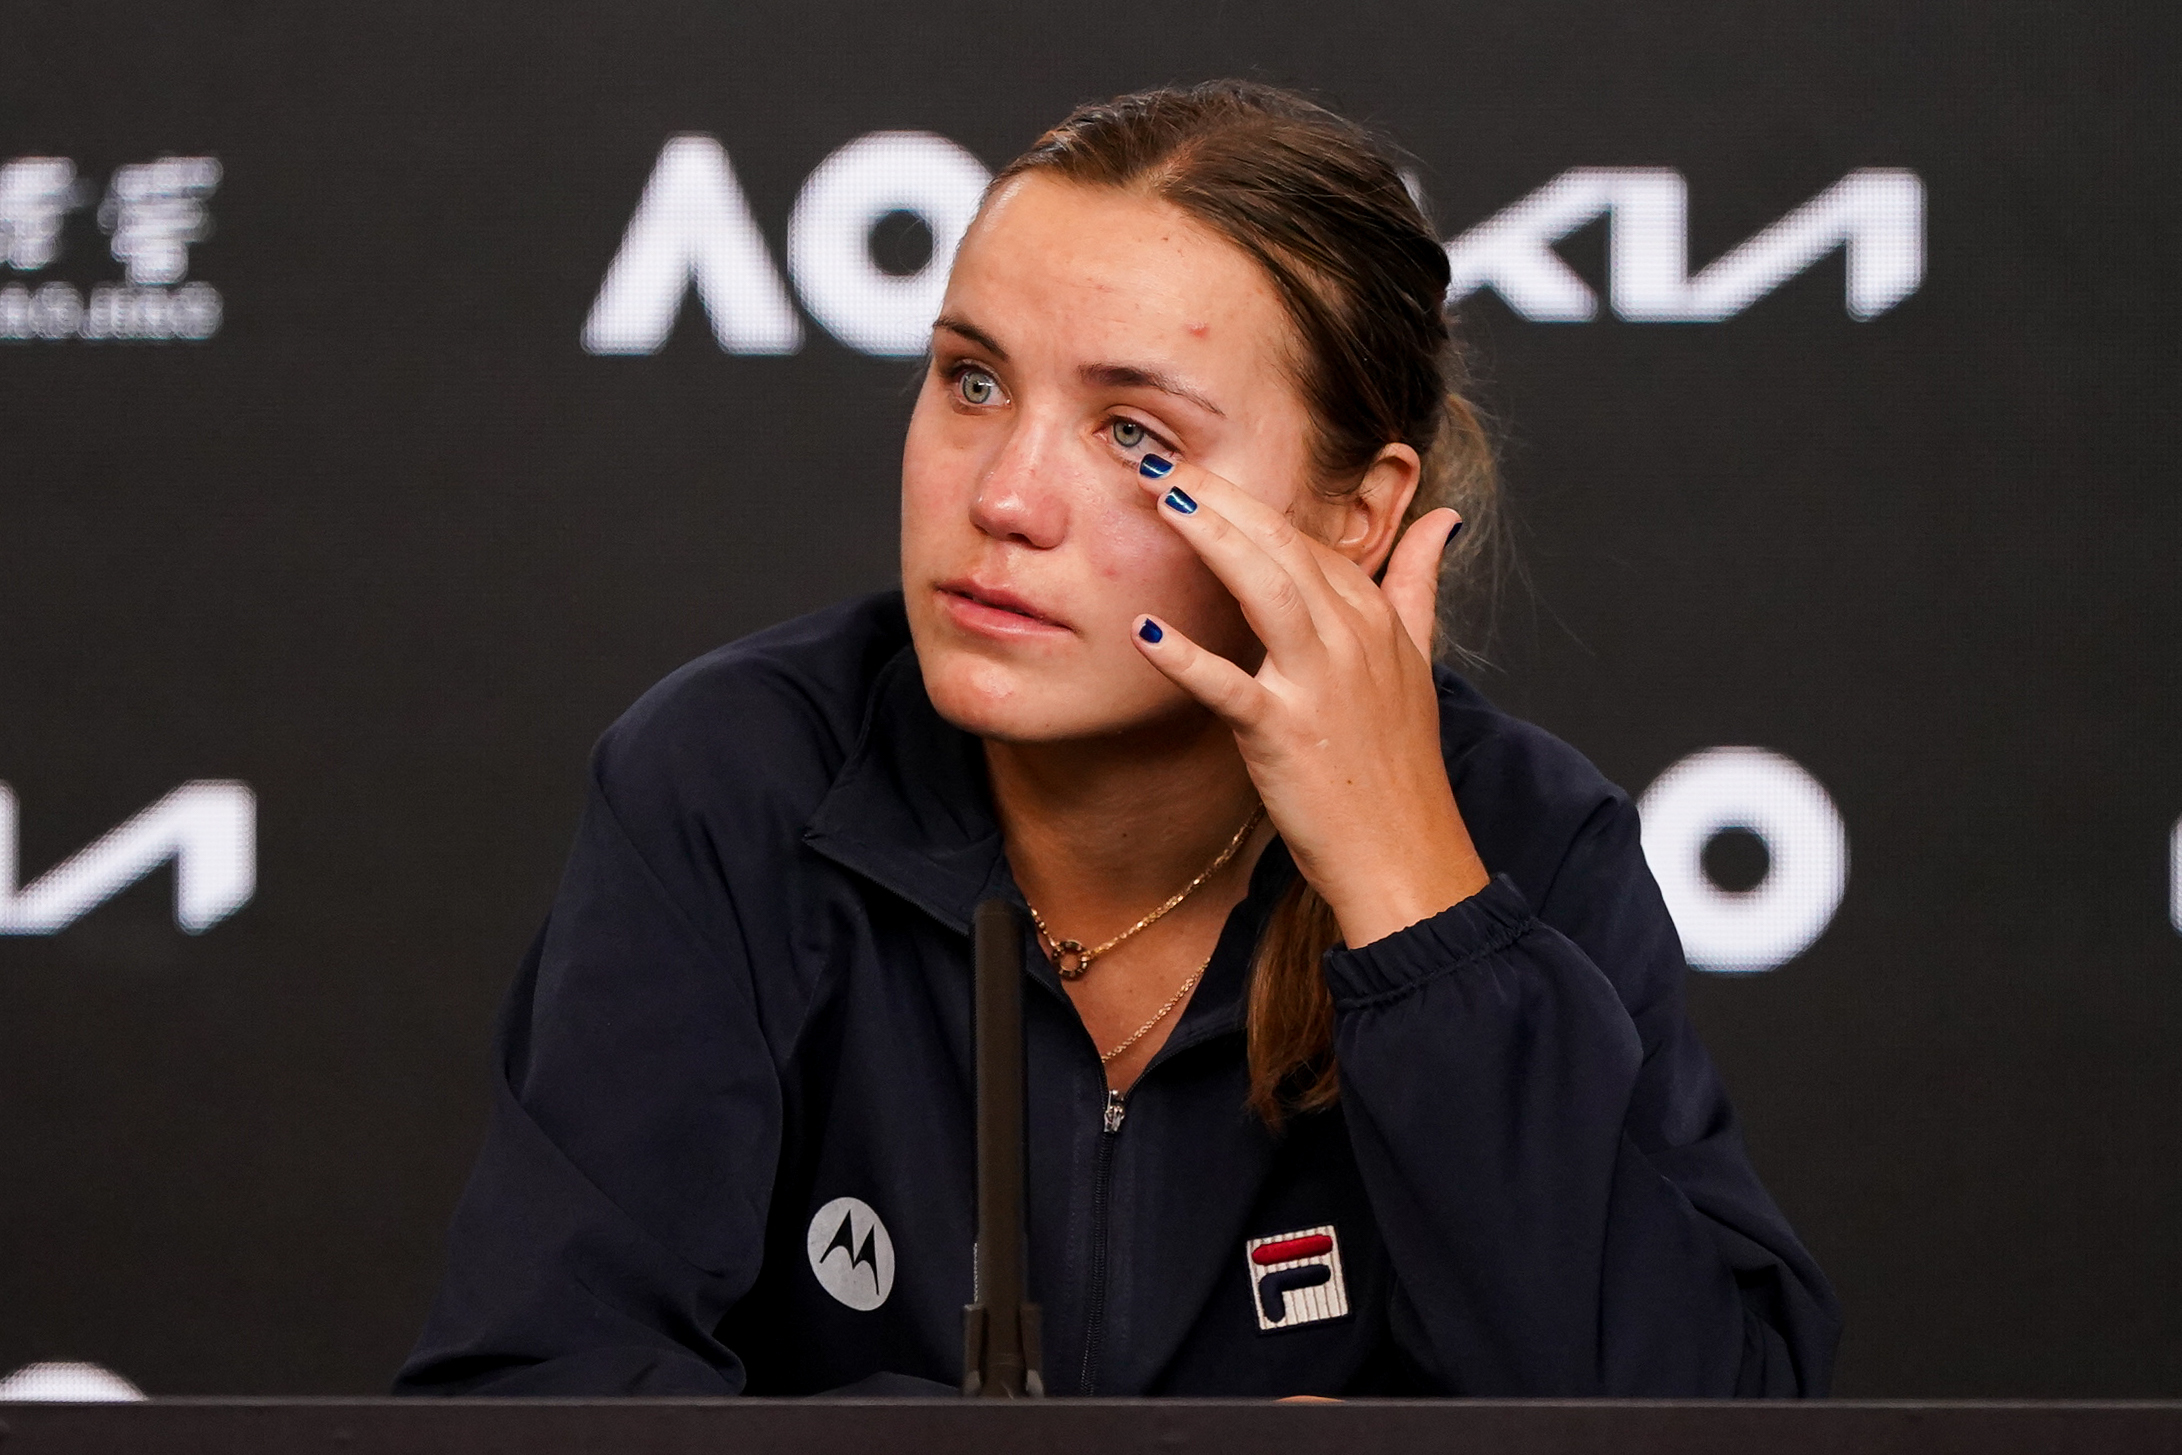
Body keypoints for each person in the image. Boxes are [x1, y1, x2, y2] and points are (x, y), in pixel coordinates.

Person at [396, 81, 1839, 1399]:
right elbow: (534, 1390)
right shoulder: (735, 780)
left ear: (1355, 515)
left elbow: (1708, 1422)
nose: (1005, 498)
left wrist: (1417, 908)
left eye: (1138, 437)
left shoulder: (1521, 841)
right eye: (972, 381)